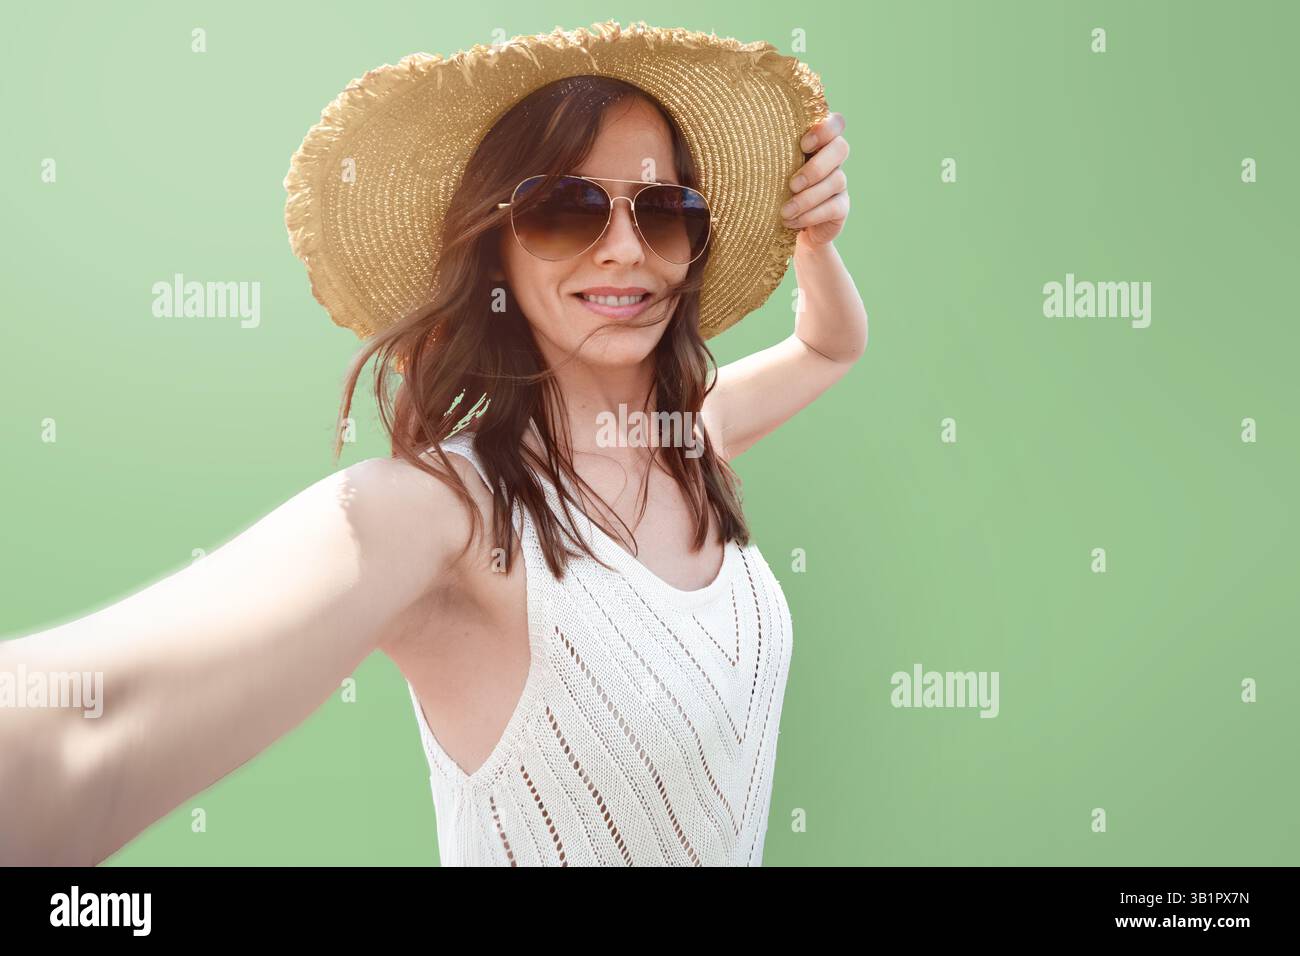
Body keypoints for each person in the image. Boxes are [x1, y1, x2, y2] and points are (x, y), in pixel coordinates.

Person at [0, 22, 866, 866]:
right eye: (567, 210)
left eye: (664, 211)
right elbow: (86, 724)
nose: (626, 251)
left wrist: (815, 248)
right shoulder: (447, 513)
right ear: (496, 250)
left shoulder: (684, 436)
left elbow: (830, 347)